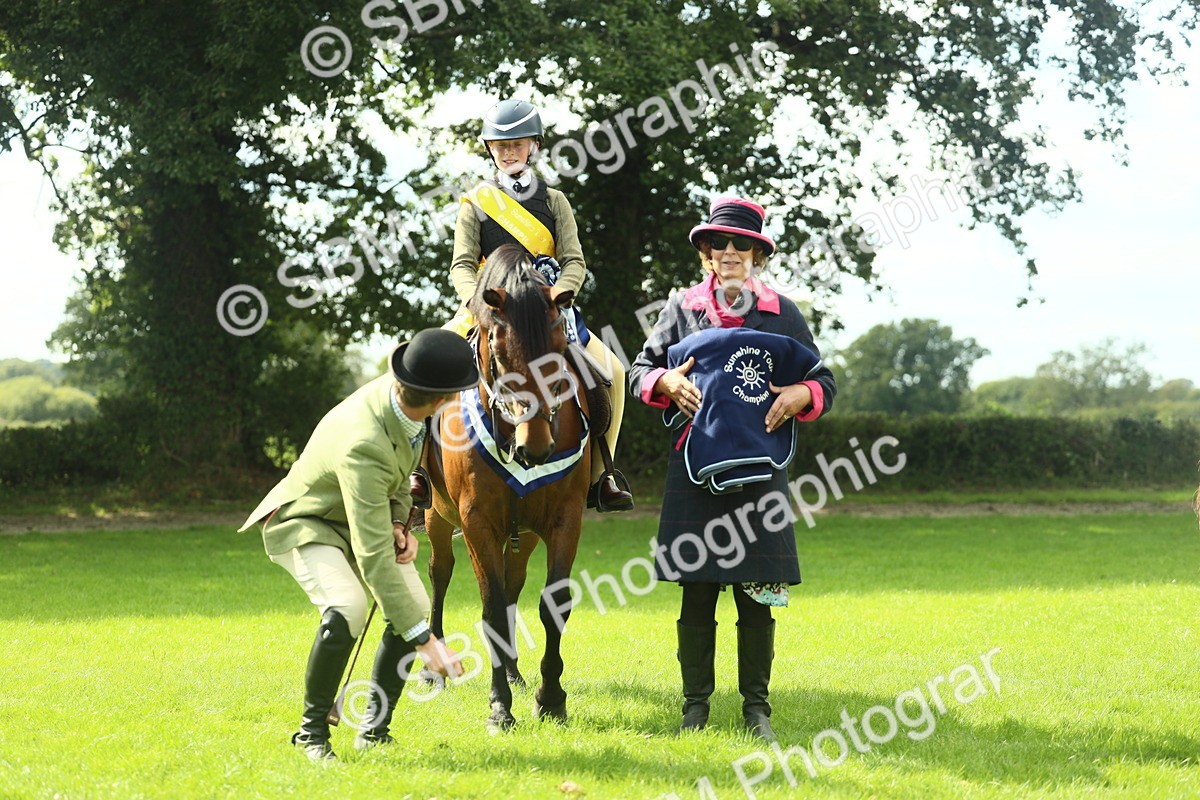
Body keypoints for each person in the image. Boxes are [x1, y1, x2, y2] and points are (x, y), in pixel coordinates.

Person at [628, 197, 837, 741]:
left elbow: (824, 382)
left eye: (740, 244)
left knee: (758, 594)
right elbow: (640, 371)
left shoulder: (784, 313)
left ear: (757, 254)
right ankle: (695, 708)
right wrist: (665, 382)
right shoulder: (679, 309)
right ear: (705, 252)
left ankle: (757, 711)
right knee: (697, 590)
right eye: (718, 243)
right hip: (694, 469)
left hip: (762, 473)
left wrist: (802, 392)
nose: (728, 252)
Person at [239, 329, 475, 761]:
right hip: (305, 521)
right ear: (442, 398)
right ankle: (312, 735)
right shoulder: (363, 442)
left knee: (416, 605)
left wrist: (400, 524)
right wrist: (428, 644)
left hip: (359, 518)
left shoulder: (407, 406)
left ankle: (373, 730)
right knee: (348, 607)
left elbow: (400, 479)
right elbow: (371, 558)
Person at [419, 97, 632, 513]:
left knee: (616, 372)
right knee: (427, 368)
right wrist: (480, 303)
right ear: (490, 150)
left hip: (548, 311)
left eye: (517, 144)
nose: (509, 151)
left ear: (533, 145)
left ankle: (600, 476)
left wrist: (559, 293)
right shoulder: (475, 204)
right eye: (500, 146)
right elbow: (462, 264)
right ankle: (419, 471)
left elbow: (574, 261)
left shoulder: (555, 202)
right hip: (489, 310)